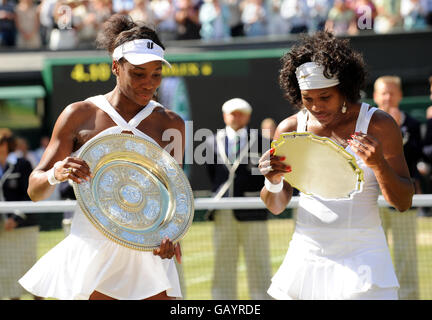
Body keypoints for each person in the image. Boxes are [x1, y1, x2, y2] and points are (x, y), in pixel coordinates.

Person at [18, 14, 185, 300]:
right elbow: (35, 190)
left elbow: (172, 196)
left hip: (147, 255)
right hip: (92, 247)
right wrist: (56, 172)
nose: (149, 83)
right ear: (115, 68)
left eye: (156, 74)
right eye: (138, 73)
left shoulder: (171, 123)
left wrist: (171, 237)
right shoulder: (79, 114)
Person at [259, 31, 414, 300]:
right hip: (306, 254)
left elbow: (402, 202)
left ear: (344, 90)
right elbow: (276, 206)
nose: (316, 106)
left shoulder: (379, 124)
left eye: (325, 97)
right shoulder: (291, 127)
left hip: (365, 256)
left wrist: (378, 165)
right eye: (308, 98)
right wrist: (272, 181)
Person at [205, 98, 272, 300]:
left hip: (253, 211)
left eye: (240, 113)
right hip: (223, 211)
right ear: (225, 116)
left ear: (248, 116)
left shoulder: (263, 141)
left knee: (259, 263)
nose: (236, 117)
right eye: (232, 113)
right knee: (222, 264)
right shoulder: (211, 142)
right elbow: (212, 175)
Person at [372, 75, 420, 300]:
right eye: (383, 92)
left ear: (400, 95)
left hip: (402, 199)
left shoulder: (412, 124)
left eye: (392, 92)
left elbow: (416, 158)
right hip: (371, 200)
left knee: (406, 255)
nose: (388, 97)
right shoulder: (364, 124)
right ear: (375, 96)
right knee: (372, 254)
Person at [0, 129, 41, 300]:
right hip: (2, 229)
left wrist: (15, 218)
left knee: (30, 269)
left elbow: (29, 194)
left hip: (24, 226)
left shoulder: (22, 164)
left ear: (6, 144)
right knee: (8, 272)